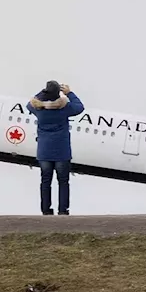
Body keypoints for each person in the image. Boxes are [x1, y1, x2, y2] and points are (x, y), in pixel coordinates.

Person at [27, 81, 84, 215]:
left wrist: (44, 92)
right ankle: (63, 210)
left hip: (44, 152)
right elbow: (80, 107)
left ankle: (46, 210)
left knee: (45, 181)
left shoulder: (38, 109)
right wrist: (69, 93)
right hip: (62, 151)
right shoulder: (65, 108)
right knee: (63, 182)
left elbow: (30, 103)